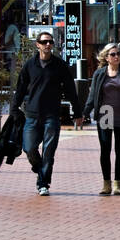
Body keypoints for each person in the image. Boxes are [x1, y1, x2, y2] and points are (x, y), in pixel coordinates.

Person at [11, 30, 83, 197]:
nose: (48, 45)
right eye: (44, 42)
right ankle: (39, 167)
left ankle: (43, 183)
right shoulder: (29, 65)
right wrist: (14, 109)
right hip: (32, 114)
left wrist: (77, 112)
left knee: (49, 152)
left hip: (52, 115)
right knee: (29, 148)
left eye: (50, 42)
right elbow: (20, 89)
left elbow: (71, 90)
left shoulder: (60, 66)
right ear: (37, 45)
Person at [84, 44, 120, 195]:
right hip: (105, 114)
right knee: (105, 150)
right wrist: (84, 113)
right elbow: (92, 95)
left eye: (118, 54)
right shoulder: (99, 74)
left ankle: (117, 184)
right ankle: (106, 183)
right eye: (113, 54)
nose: (117, 56)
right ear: (107, 58)